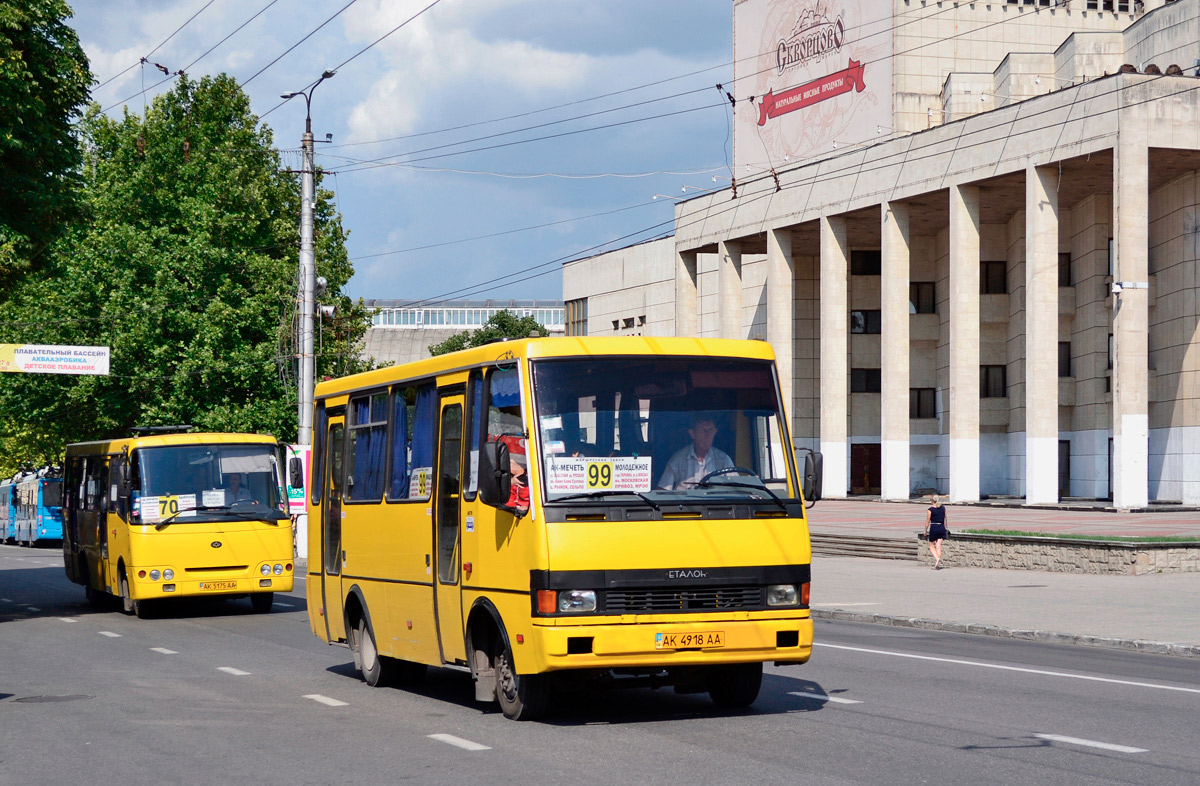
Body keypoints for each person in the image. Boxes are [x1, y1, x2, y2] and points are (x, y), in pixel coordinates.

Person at [658, 414, 734, 490]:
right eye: (703, 430)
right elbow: (663, 490)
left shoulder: (724, 460)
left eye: (710, 430)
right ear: (692, 434)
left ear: (715, 432)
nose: (708, 435)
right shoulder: (678, 460)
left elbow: (736, 489)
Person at [924, 494, 948, 569]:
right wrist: (945, 527)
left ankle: (937, 558)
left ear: (933, 500)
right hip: (941, 527)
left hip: (934, 527)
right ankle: (937, 564)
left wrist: (925, 530)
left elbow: (927, 521)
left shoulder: (930, 510)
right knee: (938, 546)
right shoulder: (943, 508)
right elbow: (945, 518)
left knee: (931, 545)